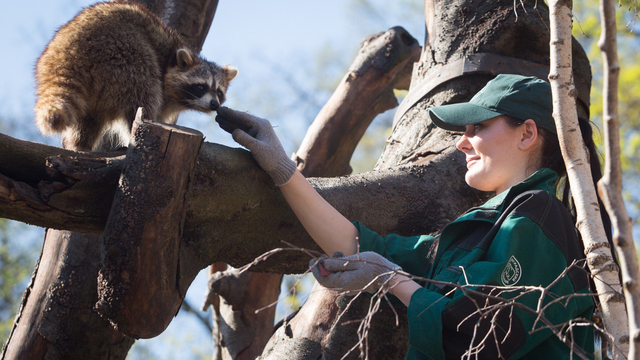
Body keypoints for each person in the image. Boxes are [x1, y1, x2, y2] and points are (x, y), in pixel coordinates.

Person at [215, 74, 602, 359]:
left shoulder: (538, 215)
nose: (461, 141)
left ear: (527, 134)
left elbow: (478, 335)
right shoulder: (479, 230)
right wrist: (283, 170)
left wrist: (392, 279)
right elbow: (357, 246)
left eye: (478, 126)